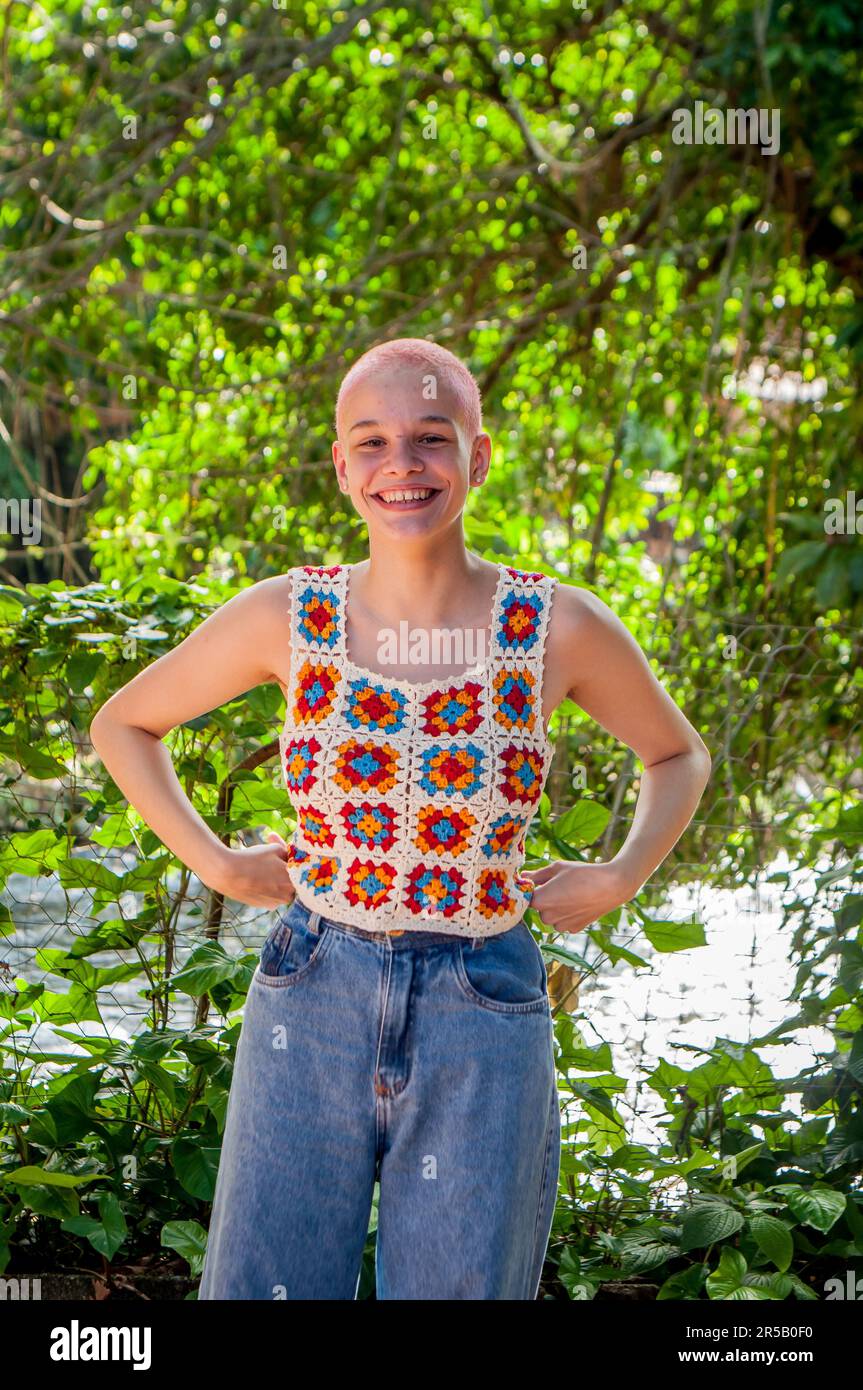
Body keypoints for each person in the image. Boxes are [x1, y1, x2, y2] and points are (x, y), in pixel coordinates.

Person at [90, 337, 711, 1300]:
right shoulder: (285, 617)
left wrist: (622, 873)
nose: (402, 465)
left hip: (485, 1005)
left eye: (430, 437)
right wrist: (215, 864)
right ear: (341, 465)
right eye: (372, 441)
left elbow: (677, 754)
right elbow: (125, 723)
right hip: (313, 991)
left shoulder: (557, 628)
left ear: (479, 453)